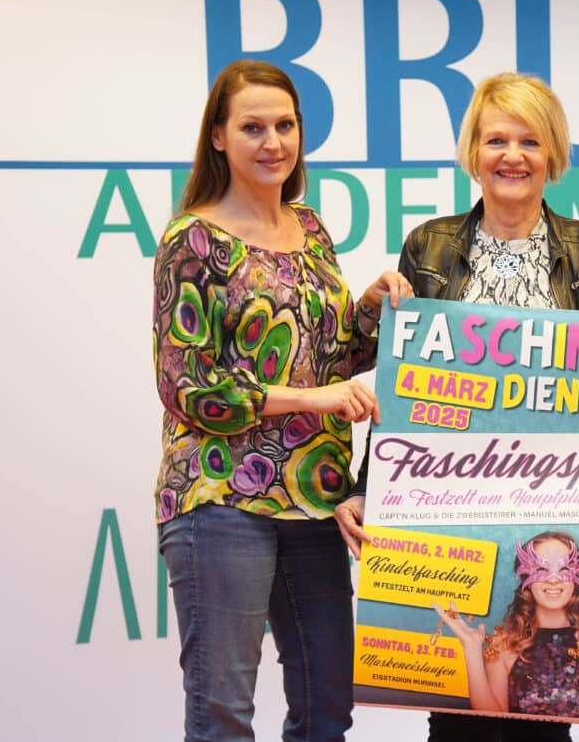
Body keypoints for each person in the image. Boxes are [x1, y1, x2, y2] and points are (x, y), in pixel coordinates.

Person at [343, 71, 579, 742]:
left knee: (546, 715)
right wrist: (371, 492)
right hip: (449, 514)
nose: (512, 156)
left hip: (559, 513)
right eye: (496, 140)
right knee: (456, 710)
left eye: (530, 141)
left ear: (552, 154)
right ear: (473, 152)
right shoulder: (429, 247)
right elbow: (404, 390)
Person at [152, 58, 412, 742]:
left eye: (286, 125)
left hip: (315, 500)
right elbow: (186, 387)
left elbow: (337, 360)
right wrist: (313, 398)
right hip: (220, 500)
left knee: (328, 708)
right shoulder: (194, 239)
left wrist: (371, 308)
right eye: (253, 127)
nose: (274, 142)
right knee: (223, 714)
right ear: (218, 136)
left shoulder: (311, 227)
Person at [432, 532, 579, 722]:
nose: (553, 579)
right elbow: (492, 719)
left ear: (577, 576)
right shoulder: (503, 645)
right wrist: (471, 651)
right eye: (540, 569)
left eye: (564, 569)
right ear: (524, 579)